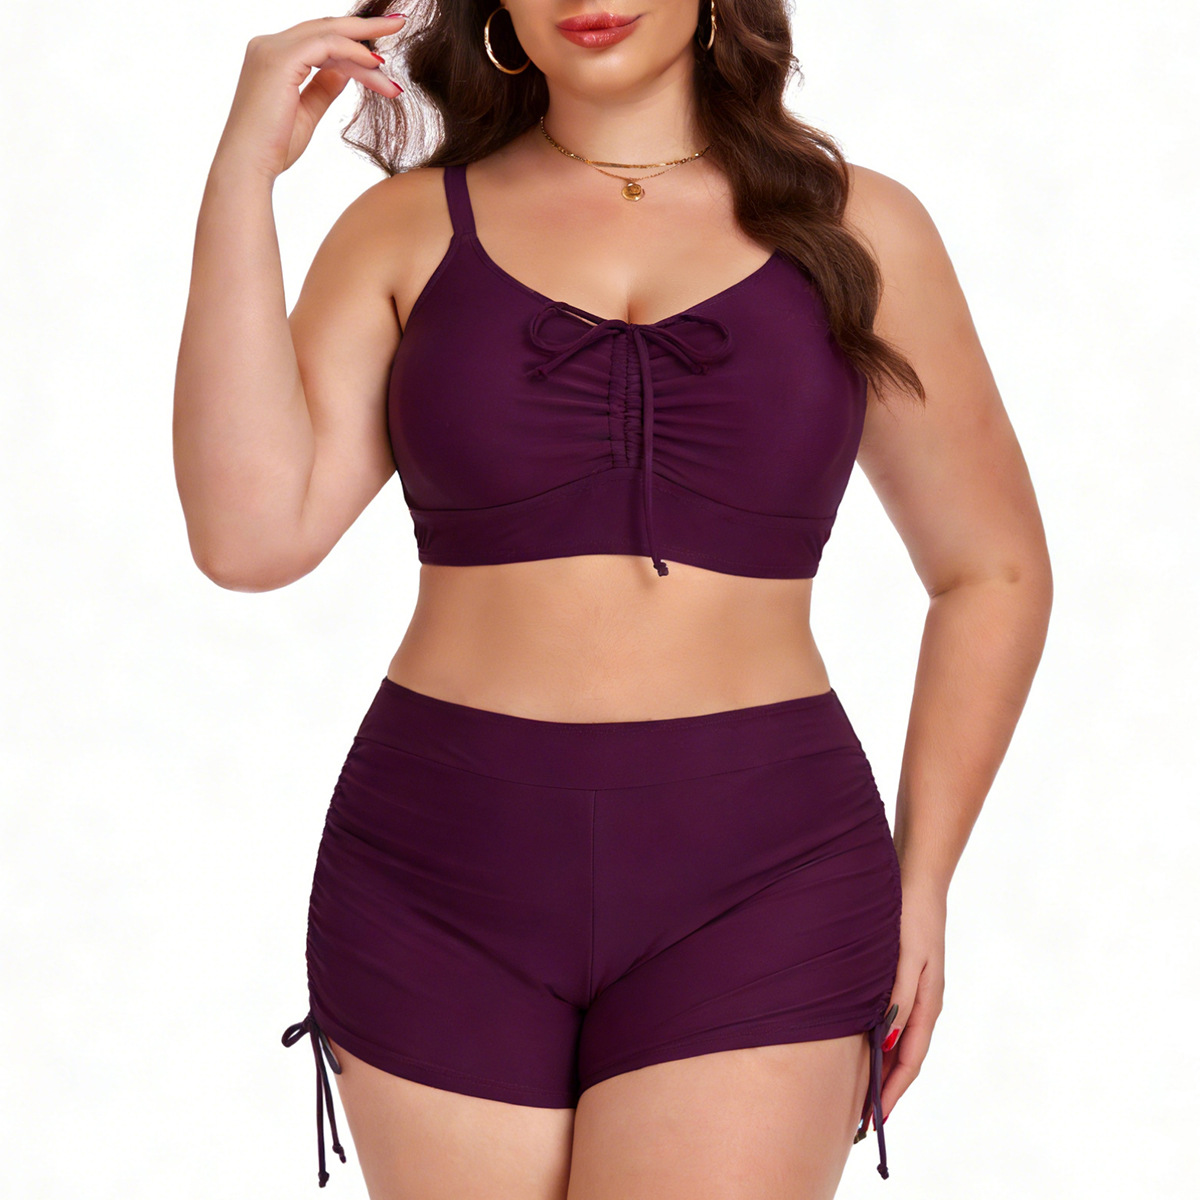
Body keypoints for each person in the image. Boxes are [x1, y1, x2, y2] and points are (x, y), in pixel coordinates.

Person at [174, 2, 1053, 1195]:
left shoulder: (858, 229)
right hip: (439, 874)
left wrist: (926, 879)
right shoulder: (403, 230)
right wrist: (242, 177)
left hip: (765, 873)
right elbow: (247, 537)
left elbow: (992, 571)